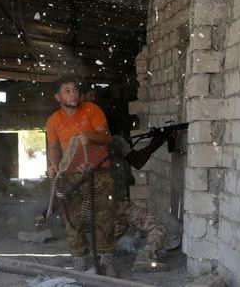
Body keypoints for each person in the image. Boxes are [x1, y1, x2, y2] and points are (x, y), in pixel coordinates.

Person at [79, 81, 170, 272]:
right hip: (118, 203)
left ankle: (100, 261)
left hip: (97, 205)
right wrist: (157, 142)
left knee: (108, 238)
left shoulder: (81, 141)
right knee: (157, 228)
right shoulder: (115, 141)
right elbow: (137, 160)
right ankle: (146, 257)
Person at [46, 75, 116, 275]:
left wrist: (90, 136)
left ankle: (106, 260)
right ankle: (79, 260)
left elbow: (106, 137)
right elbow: (52, 147)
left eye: (75, 89)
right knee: (72, 218)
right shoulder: (53, 120)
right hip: (70, 175)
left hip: (98, 172)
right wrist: (53, 166)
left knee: (104, 216)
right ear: (57, 97)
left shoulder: (92, 110)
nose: (73, 93)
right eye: (67, 90)